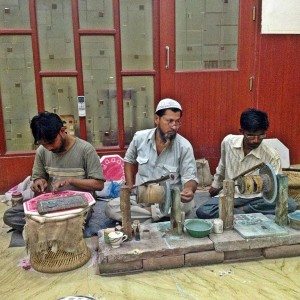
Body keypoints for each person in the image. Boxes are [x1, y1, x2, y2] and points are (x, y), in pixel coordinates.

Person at [3, 112, 105, 232]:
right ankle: (57, 228)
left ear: (62, 130)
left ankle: (47, 228)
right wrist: (38, 182)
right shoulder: (42, 151)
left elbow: (99, 184)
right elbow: (38, 177)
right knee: (10, 216)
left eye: (51, 142)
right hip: (50, 204)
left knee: (75, 220)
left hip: (78, 206)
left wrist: (71, 180)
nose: (49, 148)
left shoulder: (85, 149)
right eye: (43, 144)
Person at [105, 98, 198, 223]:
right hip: (142, 197)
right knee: (111, 207)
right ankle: (159, 216)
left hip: (170, 200)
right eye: (169, 121)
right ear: (157, 119)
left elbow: (190, 177)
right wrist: (130, 184)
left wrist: (189, 190)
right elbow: (128, 160)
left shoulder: (184, 146)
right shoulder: (140, 138)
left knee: (188, 204)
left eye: (177, 122)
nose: (174, 126)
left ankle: (146, 217)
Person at [196, 108, 297, 219]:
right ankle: (242, 211)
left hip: (257, 199)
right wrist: (216, 184)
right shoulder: (228, 142)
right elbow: (223, 165)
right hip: (231, 194)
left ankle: (241, 211)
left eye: (261, 135)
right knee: (203, 211)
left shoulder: (272, 155)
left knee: (290, 204)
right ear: (242, 131)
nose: (256, 140)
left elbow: (275, 188)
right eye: (251, 135)